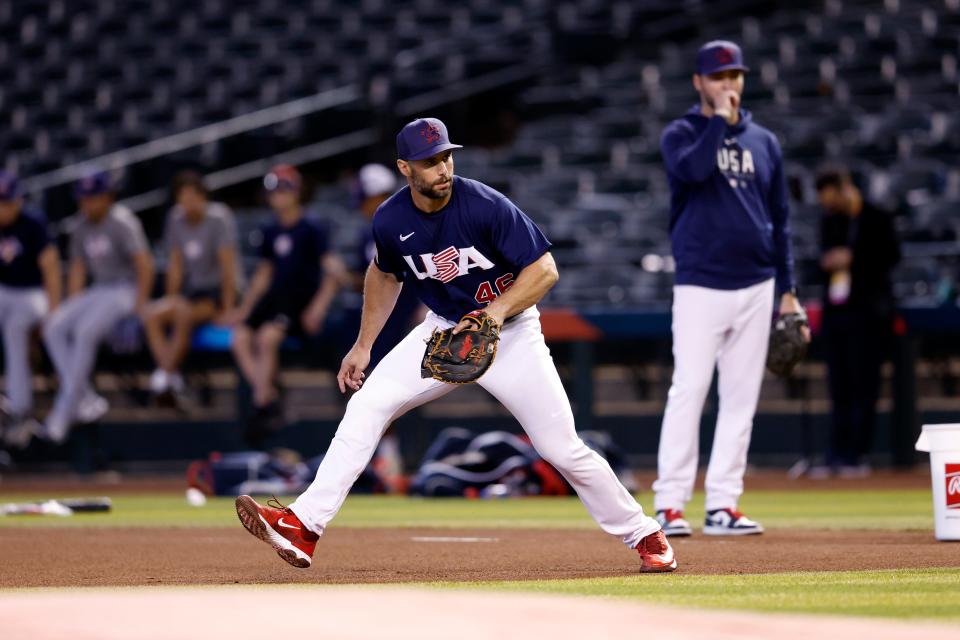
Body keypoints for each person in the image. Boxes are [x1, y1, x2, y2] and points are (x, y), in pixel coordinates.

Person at [234, 118, 677, 573]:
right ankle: (302, 526)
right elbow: (385, 272)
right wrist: (363, 344)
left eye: (446, 156)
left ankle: (646, 534)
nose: (442, 167)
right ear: (405, 168)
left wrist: (496, 312)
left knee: (561, 447)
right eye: (429, 161)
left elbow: (545, 270)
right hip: (444, 329)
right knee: (368, 405)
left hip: (512, 333)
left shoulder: (484, 205)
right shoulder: (390, 218)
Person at [653, 41, 807, 537]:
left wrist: (788, 290)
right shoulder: (682, 133)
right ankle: (670, 504)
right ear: (699, 82)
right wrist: (720, 121)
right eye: (719, 76)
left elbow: (781, 221)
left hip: (759, 283)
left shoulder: (765, 141)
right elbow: (693, 171)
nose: (728, 84)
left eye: (735, 76)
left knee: (741, 399)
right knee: (690, 390)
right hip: (701, 282)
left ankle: (723, 504)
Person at [229, 164, 341, 440]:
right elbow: (264, 273)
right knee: (239, 338)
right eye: (274, 190)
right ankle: (269, 395)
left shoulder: (311, 226)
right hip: (274, 297)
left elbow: (332, 270)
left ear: (296, 191)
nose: (279, 195)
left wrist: (319, 306)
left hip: (298, 299)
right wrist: (245, 308)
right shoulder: (269, 230)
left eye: (284, 188)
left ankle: (261, 405)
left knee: (267, 338)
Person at [41, 171, 154, 443]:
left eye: (93, 198)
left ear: (107, 196)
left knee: (86, 332)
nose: (88, 204)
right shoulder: (80, 225)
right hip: (100, 290)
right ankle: (85, 399)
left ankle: (63, 411)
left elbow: (144, 265)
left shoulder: (122, 222)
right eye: (84, 199)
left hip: (125, 290)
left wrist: (140, 309)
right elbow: (78, 270)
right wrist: (72, 305)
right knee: (54, 326)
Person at [815, 166, 900, 476]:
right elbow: (818, 264)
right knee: (839, 387)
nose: (828, 204)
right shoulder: (829, 221)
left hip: (867, 314)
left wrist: (855, 257)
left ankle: (857, 453)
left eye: (832, 197)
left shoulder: (876, 217)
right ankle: (836, 454)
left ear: (845, 188)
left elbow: (892, 257)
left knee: (865, 386)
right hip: (837, 314)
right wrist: (828, 261)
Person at [142, 171, 240, 405]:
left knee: (184, 314)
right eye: (183, 199)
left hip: (216, 293)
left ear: (202, 197)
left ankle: (163, 376)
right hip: (191, 292)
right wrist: (172, 298)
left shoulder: (219, 218)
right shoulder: (175, 219)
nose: (188, 204)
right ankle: (170, 376)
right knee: (151, 315)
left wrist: (227, 308)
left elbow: (228, 268)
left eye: (192, 198)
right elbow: (175, 265)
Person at [0, 172, 61, 448]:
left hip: (32, 293)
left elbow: (50, 267)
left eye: (7, 202)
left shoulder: (33, 223)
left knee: (15, 327)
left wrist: (54, 311)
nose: (4, 208)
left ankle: (19, 408)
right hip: (5, 290)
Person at [348, 163, 422, 370]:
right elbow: (365, 279)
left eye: (366, 200)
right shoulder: (368, 232)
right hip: (382, 307)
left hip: (409, 303)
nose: (362, 207)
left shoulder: (410, 225)